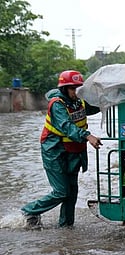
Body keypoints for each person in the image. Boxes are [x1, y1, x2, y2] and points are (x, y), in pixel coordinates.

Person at [21, 70, 103, 229]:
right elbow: (67, 126)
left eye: (79, 88)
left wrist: (116, 99)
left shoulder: (79, 101)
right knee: (61, 191)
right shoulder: (57, 104)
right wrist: (88, 136)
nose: (76, 92)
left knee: (72, 192)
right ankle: (29, 211)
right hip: (55, 151)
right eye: (73, 89)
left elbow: (98, 106)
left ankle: (66, 228)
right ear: (65, 89)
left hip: (74, 151)